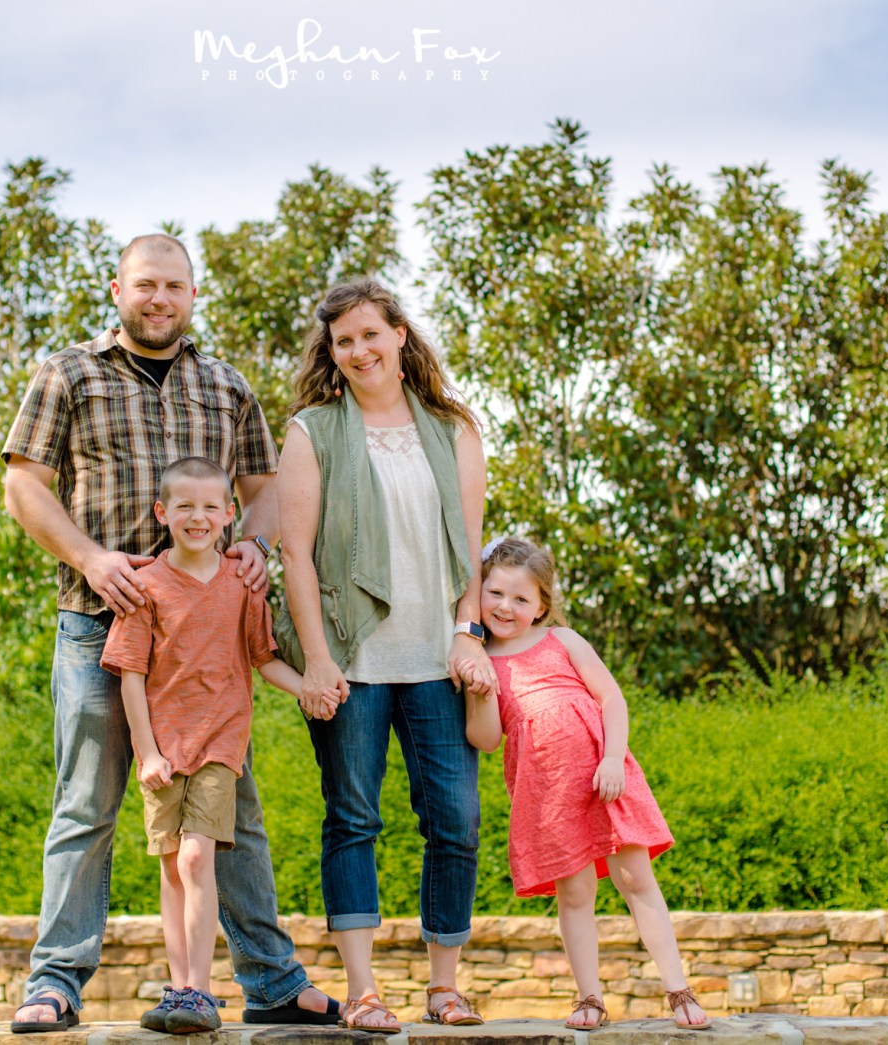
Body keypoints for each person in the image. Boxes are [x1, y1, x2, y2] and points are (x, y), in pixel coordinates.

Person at [1, 234, 339, 1033]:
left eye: (175, 286)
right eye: (146, 284)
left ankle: (271, 981)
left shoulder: (226, 385)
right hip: (99, 624)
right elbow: (24, 484)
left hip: (206, 639)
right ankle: (56, 983)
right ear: (118, 289)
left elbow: (263, 487)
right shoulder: (68, 373)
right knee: (86, 805)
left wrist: (254, 543)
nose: (160, 299)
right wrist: (90, 558)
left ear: (192, 295)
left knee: (234, 815)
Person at [273, 277, 496, 1032]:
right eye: (344, 341)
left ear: (399, 334)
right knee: (353, 819)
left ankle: (444, 987)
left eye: (371, 333)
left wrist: (468, 632)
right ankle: (364, 992)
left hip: (438, 659)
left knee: (456, 821)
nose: (359, 350)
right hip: (351, 661)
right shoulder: (311, 432)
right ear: (332, 353)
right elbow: (295, 555)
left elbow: (470, 550)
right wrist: (316, 659)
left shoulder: (453, 429)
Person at [463, 537, 710, 1031]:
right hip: (547, 793)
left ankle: (678, 988)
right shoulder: (481, 659)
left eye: (521, 598)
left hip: (603, 778)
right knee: (575, 894)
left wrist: (614, 758)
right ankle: (589, 998)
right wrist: (482, 691)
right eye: (495, 594)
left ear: (541, 606)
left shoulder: (564, 640)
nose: (506, 607)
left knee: (636, 879)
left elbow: (612, 699)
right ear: (479, 593)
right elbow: (485, 740)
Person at [102, 457, 307, 1033]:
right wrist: (147, 753)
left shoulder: (242, 584)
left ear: (229, 513)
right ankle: (180, 990)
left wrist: (310, 686)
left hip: (221, 742)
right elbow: (131, 676)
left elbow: (264, 659)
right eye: (185, 506)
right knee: (173, 867)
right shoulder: (145, 586)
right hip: (164, 749)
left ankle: (201, 990)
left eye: (211, 506)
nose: (199, 517)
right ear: (162, 513)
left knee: (196, 857)